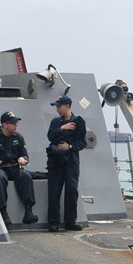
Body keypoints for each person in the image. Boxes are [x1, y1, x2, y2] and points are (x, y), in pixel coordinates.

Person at [0, 110, 37, 227]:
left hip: (13, 167)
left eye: (16, 123)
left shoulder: (18, 137)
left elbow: (25, 155)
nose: (16, 125)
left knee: (26, 176)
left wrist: (23, 160)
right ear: (5, 124)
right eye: (13, 123)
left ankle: (28, 212)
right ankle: (3, 212)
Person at [45, 95, 87, 231]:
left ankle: (70, 221)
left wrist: (69, 147)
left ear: (67, 106)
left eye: (59, 106)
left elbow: (82, 142)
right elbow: (50, 136)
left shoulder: (79, 121)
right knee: (54, 192)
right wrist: (62, 128)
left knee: (71, 190)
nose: (57, 109)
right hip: (56, 161)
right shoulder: (55, 122)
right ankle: (53, 222)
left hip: (71, 162)